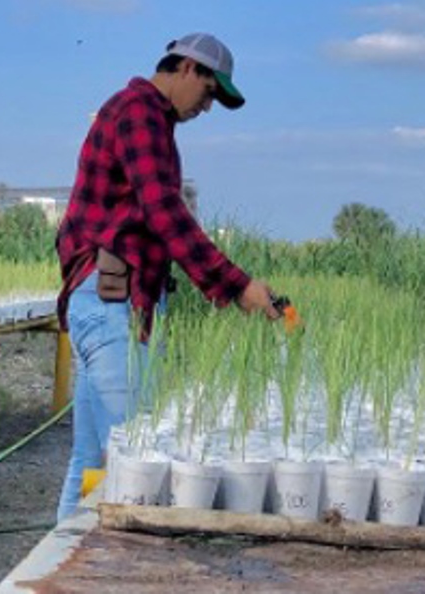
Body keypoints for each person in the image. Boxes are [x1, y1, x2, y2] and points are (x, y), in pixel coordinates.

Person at [54, 32, 281, 520]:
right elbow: (165, 213)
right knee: (138, 463)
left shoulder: (142, 115)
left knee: (93, 462)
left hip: (106, 300)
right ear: (187, 69)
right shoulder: (140, 113)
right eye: (208, 92)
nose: (208, 107)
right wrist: (236, 286)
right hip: (112, 304)